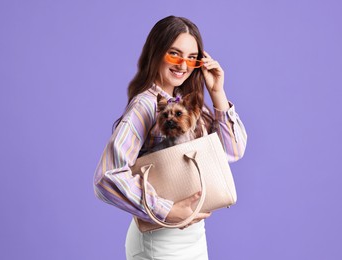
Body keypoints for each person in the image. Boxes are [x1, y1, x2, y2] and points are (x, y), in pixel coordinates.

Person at [93, 15, 247, 260]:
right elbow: (106, 177)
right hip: (160, 241)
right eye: (174, 54)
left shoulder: (189, 103)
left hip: (194, 235)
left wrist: (217, 92)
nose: (183, 65)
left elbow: (232, 152)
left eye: (192, 58)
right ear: (157, 53)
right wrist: (166, 210)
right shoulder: (145, 106)